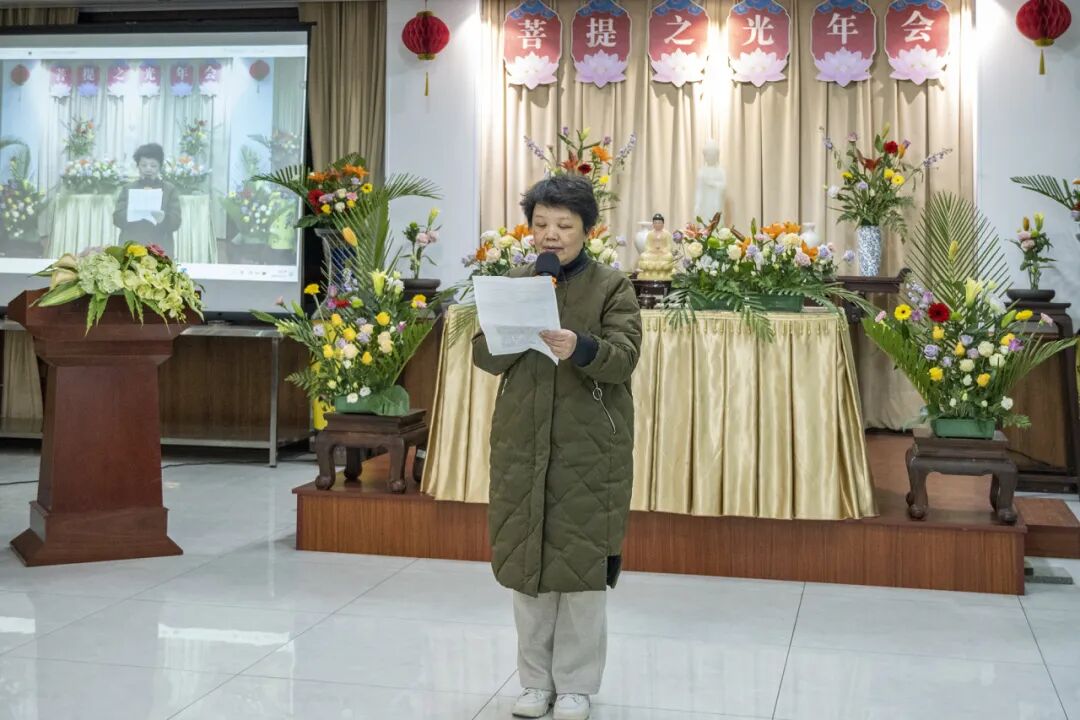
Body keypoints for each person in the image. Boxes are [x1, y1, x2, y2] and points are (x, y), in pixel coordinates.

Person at [472, 175, 642, 720]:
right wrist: (511, 333)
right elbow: (484, 356)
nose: (551, 235)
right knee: (529, 568)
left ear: (587, 230)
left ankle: (575, 685)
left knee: (581, 571)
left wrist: (581, 346)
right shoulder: (515, 283)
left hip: (590, 449)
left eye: (564, 225)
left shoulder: (612, 287)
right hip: (523, 444)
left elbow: (625, 357)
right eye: (542, 224)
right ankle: (533, 683)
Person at [113, 143, 181, 255]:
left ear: (160, 167)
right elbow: (116, 218)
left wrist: (164, 218)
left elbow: (176, 222)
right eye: (144, 165)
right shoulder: (128, 188)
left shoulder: (169, 190)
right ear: (138, 166)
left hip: (160, 246)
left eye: (153, 166)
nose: (148, 169)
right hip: (132, 245)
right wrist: (130, 214)